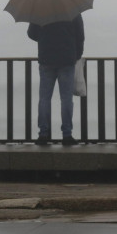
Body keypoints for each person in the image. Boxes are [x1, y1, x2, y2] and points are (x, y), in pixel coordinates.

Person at [27, 14, 84, 146]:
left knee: (44, 98)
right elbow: (80, 35)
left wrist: (45, 37)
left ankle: (43, 134)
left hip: (46, 58)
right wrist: (77, 55)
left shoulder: (41, 10)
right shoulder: (72, 10)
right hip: (67, 59)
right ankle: (67, 134)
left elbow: (32, 34)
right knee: (66, 99)